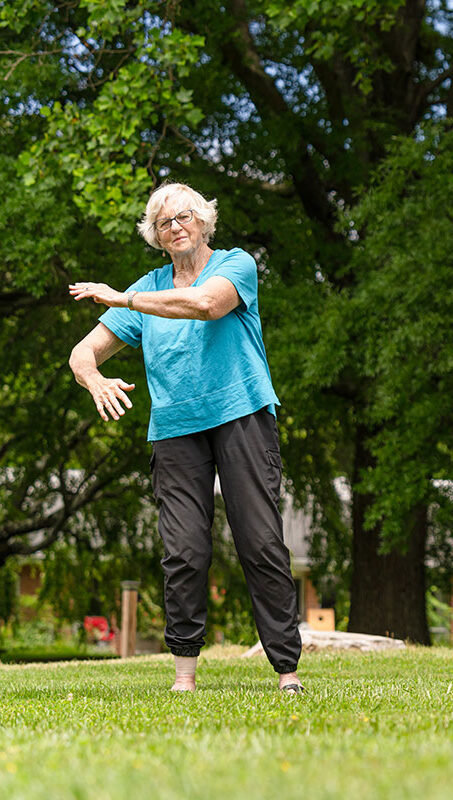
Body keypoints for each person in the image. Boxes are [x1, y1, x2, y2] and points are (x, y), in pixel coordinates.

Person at [68, 182, 304, 693]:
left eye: (183, 217)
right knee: (184, 552)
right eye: (162, 223)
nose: (174, 226)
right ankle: (184, 676)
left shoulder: (234, 264)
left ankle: (287, 672)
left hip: (241, 415)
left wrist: (126, 298)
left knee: (260, 543)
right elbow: (82, 353)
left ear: (204, 221)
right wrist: (94, 379)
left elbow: (203, 305)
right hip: (175, 431)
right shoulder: (150, 287)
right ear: (155, 236)